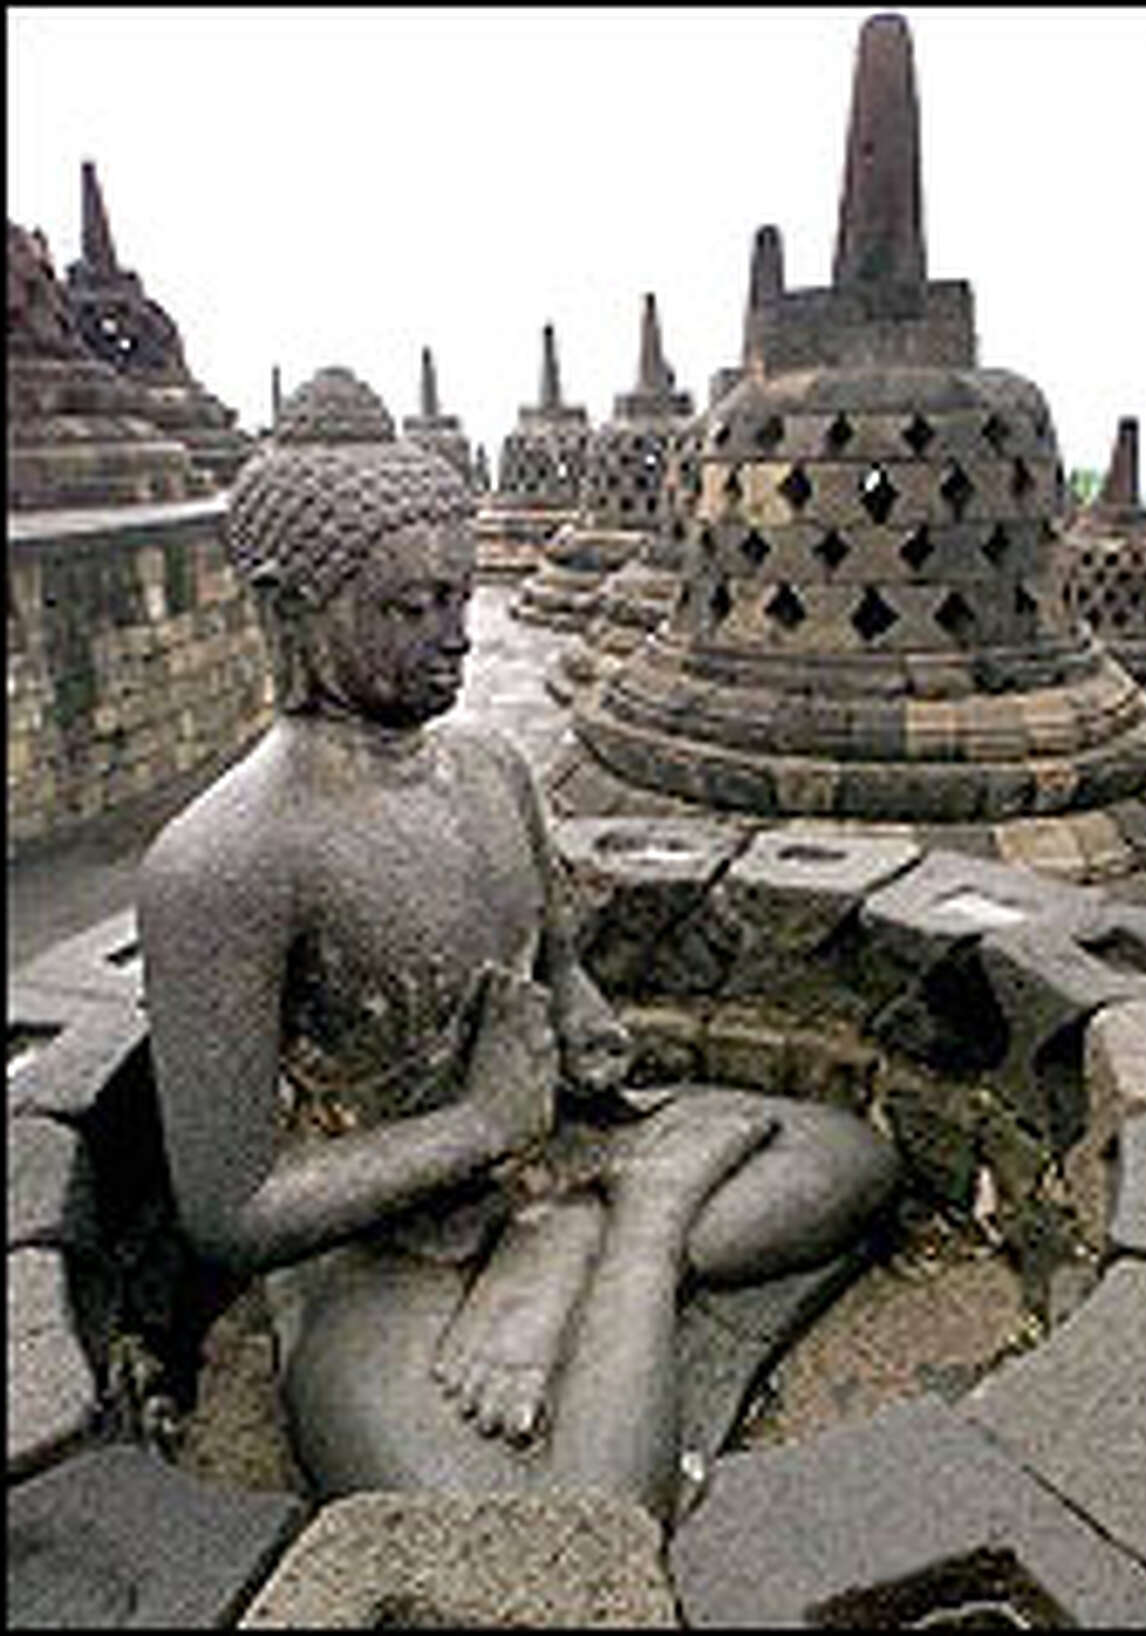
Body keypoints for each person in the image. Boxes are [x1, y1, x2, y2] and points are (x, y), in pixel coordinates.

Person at [138, 368, 898, 1520]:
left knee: (849, 1156)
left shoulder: (490, 768)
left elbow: (555, 969)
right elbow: (230, 1208)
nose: (455, 638)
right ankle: (632, 1234)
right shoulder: (224, 859)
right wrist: (479, 1127)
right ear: (292, 608)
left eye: (461, 596)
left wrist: (580, 1018)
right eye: (411, 609)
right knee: (564, 1515)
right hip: (381, 1251)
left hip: (564, 1152)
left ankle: (602, 1230)